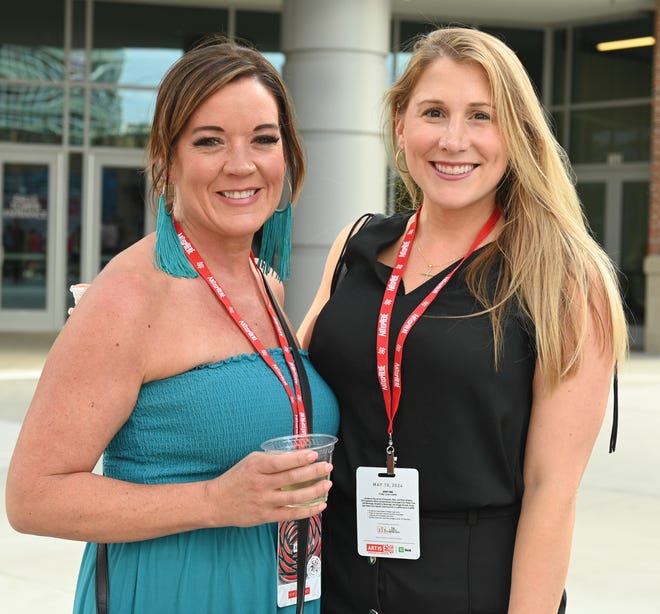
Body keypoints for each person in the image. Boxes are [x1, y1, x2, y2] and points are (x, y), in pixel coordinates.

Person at [299, 26, 628, 614]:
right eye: (434, 112)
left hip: (471, 589)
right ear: (401, 124)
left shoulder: (563, 278)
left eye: (482, 116)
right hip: (334, 584)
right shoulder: (355, 245)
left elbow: (553, 493)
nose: (455, 140)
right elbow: (295, 395)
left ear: (517, 135)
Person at [6, 37, 339, 614]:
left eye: (263, 139)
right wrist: (214, 500)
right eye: (209, 141)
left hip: (283, 589)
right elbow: (33, 497)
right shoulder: (129, 297)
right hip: (175, 590)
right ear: (167, 160)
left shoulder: (268, 285)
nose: (242, 164)